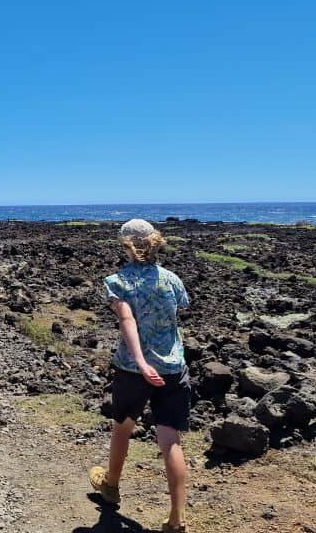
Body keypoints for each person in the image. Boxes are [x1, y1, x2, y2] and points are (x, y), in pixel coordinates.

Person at [89, 219, 191, 533]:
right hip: (173, 368)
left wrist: (140, 361)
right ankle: (176, 519)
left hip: (133, 370)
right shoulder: (172, 279)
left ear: (126, 247)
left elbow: (127, 320)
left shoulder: (117, 281)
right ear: (155, 244)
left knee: (122, 427)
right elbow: (178, 312)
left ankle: (111, 486)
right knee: (170, 441)